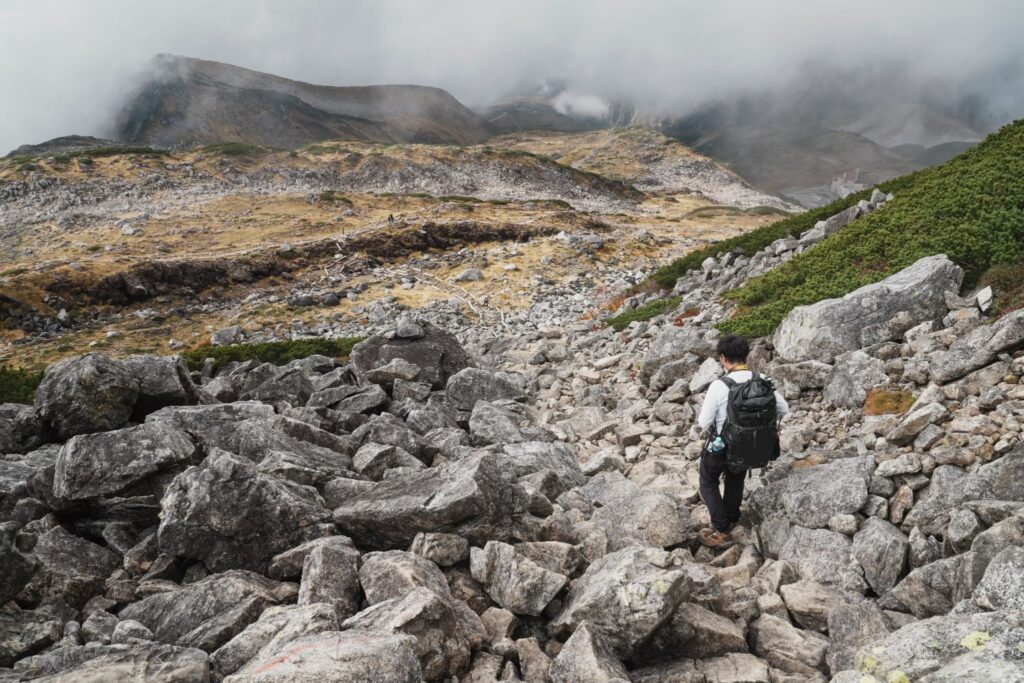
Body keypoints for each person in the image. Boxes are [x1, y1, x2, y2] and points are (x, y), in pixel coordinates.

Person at [696, 334, 788, 547]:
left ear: (723, 358)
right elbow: (784, 409)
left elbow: (704, 422)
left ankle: (721, 528)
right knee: (735, 479)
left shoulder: (719, 386)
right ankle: (733, 517)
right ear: (746, 355)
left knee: (708, 481)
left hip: (721, 447)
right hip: (749, 448)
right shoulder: (763, 380)